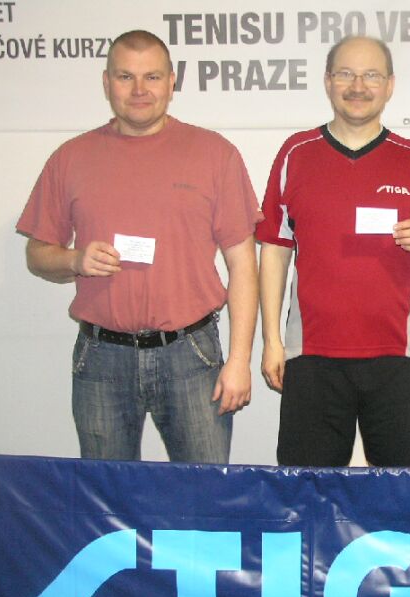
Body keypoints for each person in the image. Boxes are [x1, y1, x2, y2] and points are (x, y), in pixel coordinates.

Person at [16, 30, 260, 463]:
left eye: (152, 77)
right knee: (107, 495)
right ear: (106, 82)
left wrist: (240, 360)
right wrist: (75, 259)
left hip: (191, 354)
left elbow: (243, 264)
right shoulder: (71, 157)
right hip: (101, 358)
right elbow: (37, 254)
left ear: (172, 82)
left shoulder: (214, 154)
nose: (139, 90)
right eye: (126, 77)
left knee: (202, 494)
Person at [257, 36, 410, 467]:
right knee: (308, 491)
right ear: (327, 82)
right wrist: (272, 341)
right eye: (346, 74)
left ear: (389, 85)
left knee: (400, 491)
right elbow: (275, 250)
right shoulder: (296, 153)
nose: (358, 86)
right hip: (312, 356)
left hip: (399, 356)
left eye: (371, 75)